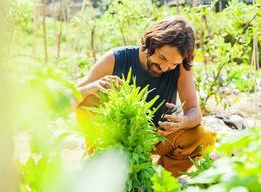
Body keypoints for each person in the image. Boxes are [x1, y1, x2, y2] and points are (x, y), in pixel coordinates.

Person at [75, 16, 216, 177]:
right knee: (87, 98)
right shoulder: (114, 59)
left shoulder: (181, 68)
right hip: (113, 139)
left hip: (155, 138)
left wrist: (182, 122)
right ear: (151, 43)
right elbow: (74, 95)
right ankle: (97, 159)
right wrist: (93, 88)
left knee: (203, 136)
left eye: (173, 64)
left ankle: (160, 180)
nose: (165, 67)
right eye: (162, 57)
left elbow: (194, 112)